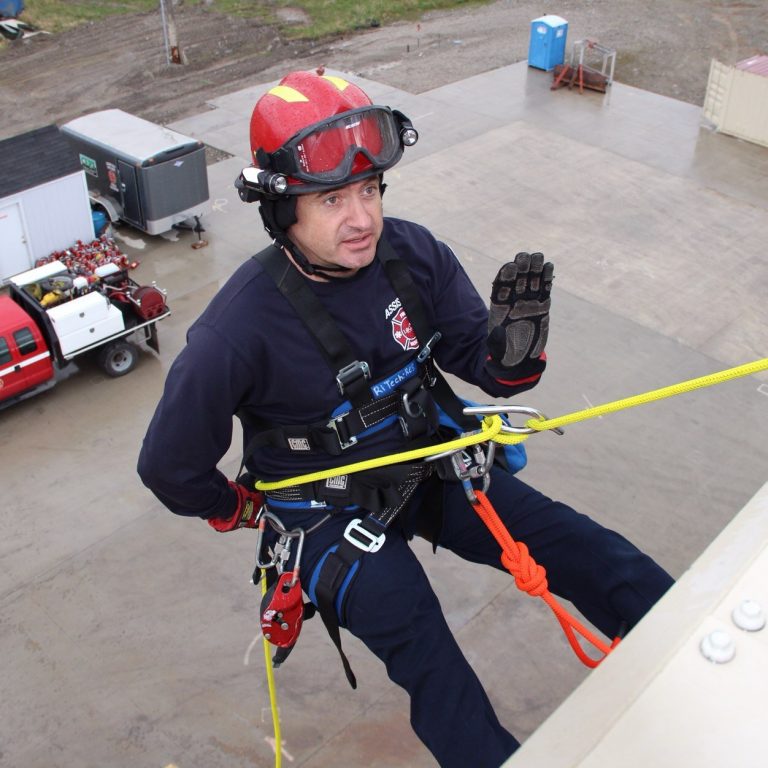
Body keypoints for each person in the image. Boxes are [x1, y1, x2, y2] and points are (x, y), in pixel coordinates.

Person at [137, 70, 673, 768]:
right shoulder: (236, 331)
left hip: (428, 458)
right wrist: (243, 509)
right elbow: (168, 466)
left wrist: (513, 357)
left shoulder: (409, 256)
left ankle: (687, 642)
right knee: (431, 656)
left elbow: (476, 359)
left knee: (584, 549)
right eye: (332, 198)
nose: (361, 218)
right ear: (282, 212)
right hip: (323, 513)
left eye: (369, 190)